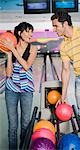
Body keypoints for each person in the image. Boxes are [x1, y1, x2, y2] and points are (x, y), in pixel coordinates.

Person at [51, 11, 80, 150]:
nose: (54, 29)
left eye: (55, 26)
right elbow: (65, 71)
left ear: (65, 24)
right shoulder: (63, 46)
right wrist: (63, 96)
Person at [0, 22, 38, 150]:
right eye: (27, 31)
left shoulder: (33, 49)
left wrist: (13, 50)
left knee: (25, 124)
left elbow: (26, 66)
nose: (30, 34)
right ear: (19, 33)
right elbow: (9, 74)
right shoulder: (12, 49)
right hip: (11, 90)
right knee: (13, 126)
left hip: (26, 90)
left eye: (31, 31)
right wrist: (9, 54)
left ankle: (24, 147)